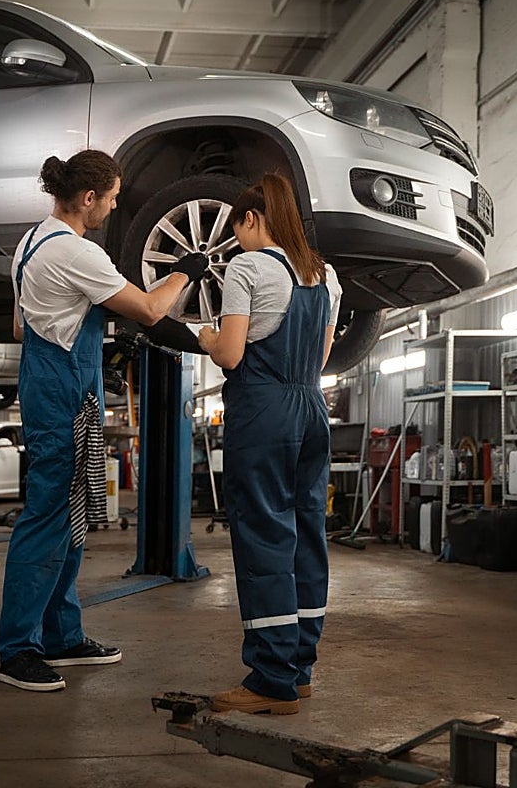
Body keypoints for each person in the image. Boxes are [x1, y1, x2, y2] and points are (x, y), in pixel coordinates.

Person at [0, 149, 210, 692]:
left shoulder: (30, 242)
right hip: (63, 393)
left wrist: (92, 328)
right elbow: (152, 309)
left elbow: (23, 327)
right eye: (112, 198)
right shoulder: (76, 251)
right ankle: (18, 651)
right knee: (47, 516)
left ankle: (62, 636)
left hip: (52, 380)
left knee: (69, 517)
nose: (114, 207)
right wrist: (185, 272)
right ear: (88, 198)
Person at [197, 173, 342, 715]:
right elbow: (321, 357)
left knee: (264, 537)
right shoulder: (325, 274)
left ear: (252, 219)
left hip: (264, 411)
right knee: (306, 534)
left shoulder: (248, 267)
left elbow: (231, 354)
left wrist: (207, 337)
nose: (236, 241)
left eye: (237, 229)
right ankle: (299, 669)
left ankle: (270, 679)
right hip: (311, 408)